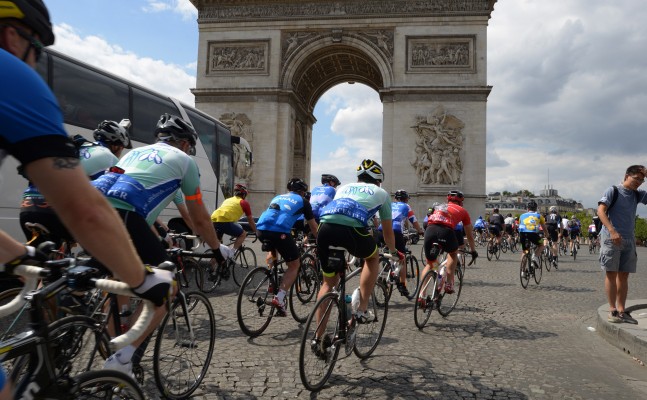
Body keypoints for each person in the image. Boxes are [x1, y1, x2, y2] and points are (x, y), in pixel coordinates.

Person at [0, 0, 174, 388]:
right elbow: (86, 207)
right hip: (65, 212)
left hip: (32, 212)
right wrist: (141, 279)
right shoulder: (11, 73)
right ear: (13, 35)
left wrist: (18, 254)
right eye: (37, 52)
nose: (34, 64)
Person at [92, 112, 234, 373]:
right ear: (182, 143)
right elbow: (199, 218)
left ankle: (112, 344)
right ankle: (122, 360)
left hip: (93, 213)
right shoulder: (184, 162)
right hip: (126, 218)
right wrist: (216, 248)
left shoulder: (131, 154)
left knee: (115, 285)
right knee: (166, 287)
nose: (190, 151)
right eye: (190, 146)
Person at [315, 159, 402, 326]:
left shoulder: (342, 188)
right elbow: (387, 232)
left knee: (328, 283)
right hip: (351, 230)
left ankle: (318, 338)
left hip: (324, 229)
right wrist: (392, 252)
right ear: (378, 180)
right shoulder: (381, 193)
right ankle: (361, 310)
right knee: (372, 257)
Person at [18, 119, 132, 247]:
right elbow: (116, 195)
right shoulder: (109, 157)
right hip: (54, 210)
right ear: (116, 145)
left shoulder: (76, 149)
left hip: (27, 206)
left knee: (39, 257)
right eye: (122, 148)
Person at [256, 178, 318, 316]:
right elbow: (313, 226)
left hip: (260, 229)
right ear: (302, 192)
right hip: (280, 231)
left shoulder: (278, 197)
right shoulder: (303, 201)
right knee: (294, 265)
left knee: (274, 249)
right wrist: (321, 241)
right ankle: (279, 298)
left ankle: (271, 277)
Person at [597, 165, 647, 324]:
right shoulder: (613, 190)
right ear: (627, 176)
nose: (639, 182)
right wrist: (612, 231)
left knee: (624, 275)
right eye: (636, 178)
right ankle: (612, 310)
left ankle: (621, 310)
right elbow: (600, 211)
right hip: (612, 238)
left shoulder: (637, 195)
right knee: (611, 273)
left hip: (629, 239)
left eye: (642, 180)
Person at [419, 190, 477, 298]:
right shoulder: (463, 211)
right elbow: (469, 235)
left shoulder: (438, 207)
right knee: (453, 253)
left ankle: (421, 295)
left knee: (430, 264)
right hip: (446, 231)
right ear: (461, 202)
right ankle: (449, 284)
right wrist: (473, 251)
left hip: (430, 230)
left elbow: (425, 222)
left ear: (448, 200)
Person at [377, 189, 424, 297]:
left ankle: (384, 271)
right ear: (406, 199)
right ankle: (402, 285)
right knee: (402, 257)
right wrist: (420, 231)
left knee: (387, 252)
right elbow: (413, 220)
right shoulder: (406, 207)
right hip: (395, 231)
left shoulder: (390, 204)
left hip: (381, 230)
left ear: (395, 198)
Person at [211, 183, 258, 251]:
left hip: (214, 220)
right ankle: (231, 253)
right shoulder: (244, 203)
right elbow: (250, 220)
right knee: (243, 234)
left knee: (218, 250)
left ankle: (216, 260)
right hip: (224, 221)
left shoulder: (228, 200)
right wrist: (256, 231)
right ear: (244, 195)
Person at [518, 200, 548, 277]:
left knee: (525, 251)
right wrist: (547, 235)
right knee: (542, 244)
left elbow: (520, 225)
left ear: (527, 208)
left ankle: (522, 271)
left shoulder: (522, 215)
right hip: (533, 234)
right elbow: (544, 228)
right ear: (536, 208)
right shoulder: (539, 216)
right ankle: (535, 256)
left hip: (522, 234)